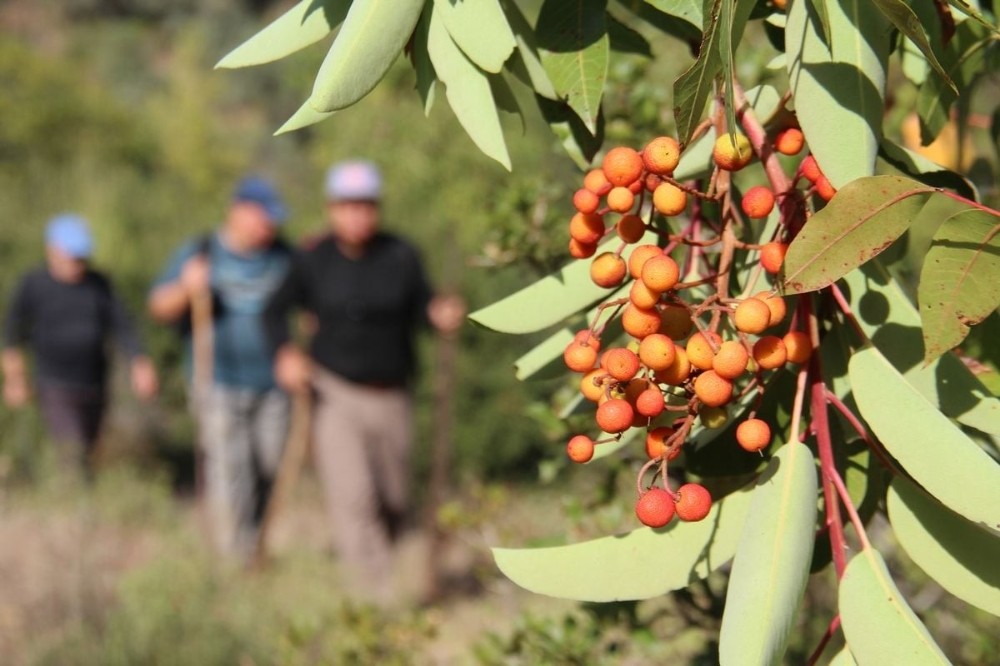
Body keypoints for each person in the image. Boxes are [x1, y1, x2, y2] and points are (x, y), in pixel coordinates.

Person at [263, 160, 464, 600]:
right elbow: (274, 311)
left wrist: (440, 314)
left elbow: (425, 308)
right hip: (333, 393)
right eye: (347, 205)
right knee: (353, 499)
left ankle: (382, 568)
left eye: (365, 205)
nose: (356, 215)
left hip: (392, 395)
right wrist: (286, 353)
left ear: (377, 208)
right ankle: (374, 602)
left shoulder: (401, 255)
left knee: (392, 501)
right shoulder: (312, 257)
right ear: (332, 209)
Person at [148, 176, 293, 561]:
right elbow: (159, 307)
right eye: (264, 218)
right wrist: (187, 288)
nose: (269, 227)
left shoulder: (283, 256)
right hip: (218, 381)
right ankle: (235, 558)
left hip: (274, 385)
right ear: (239, 211)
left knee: (269, 465)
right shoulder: (200, 252)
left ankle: (258, 541)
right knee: (230, 470)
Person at [1, 214, 158, 475]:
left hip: (94, 385)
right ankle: (72, 505)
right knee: (70, 451)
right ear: (52, 250)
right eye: (71, 255)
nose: (77, 263)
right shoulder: (34, 284)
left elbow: (123, 326)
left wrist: (140, 362)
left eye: (81, 256)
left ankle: (81, 505)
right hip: (54, 384)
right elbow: (12, 333)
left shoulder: (99, 285)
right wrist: (15, 378)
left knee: (88, 451)